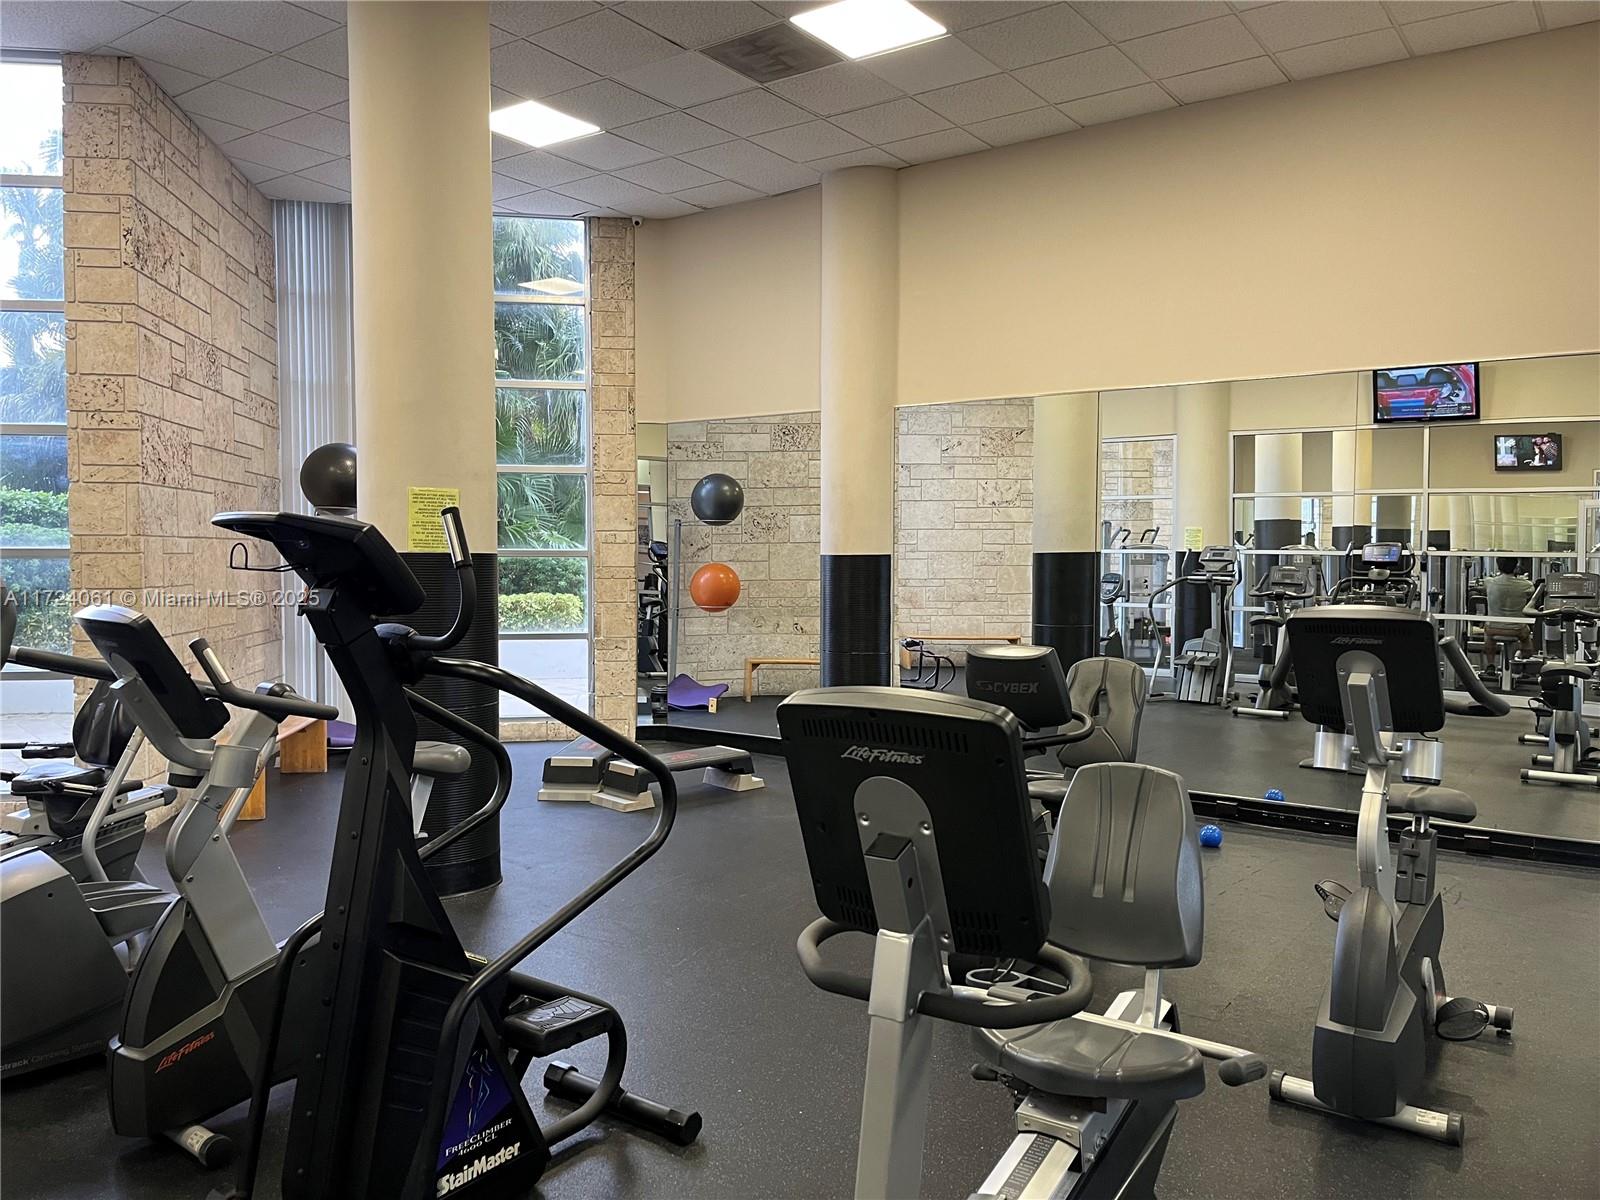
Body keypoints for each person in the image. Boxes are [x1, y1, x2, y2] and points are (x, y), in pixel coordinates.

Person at [1484, 557, 1535, 653]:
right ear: (1515, 567)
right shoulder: (1527, 585)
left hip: (1493, 628)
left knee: (1489, 638)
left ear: (1498, 567)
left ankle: (1490, 661)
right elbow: (1531, 594)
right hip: (1517, 629)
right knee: (1526, 638)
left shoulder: (1489, 582)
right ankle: (1526, 659)